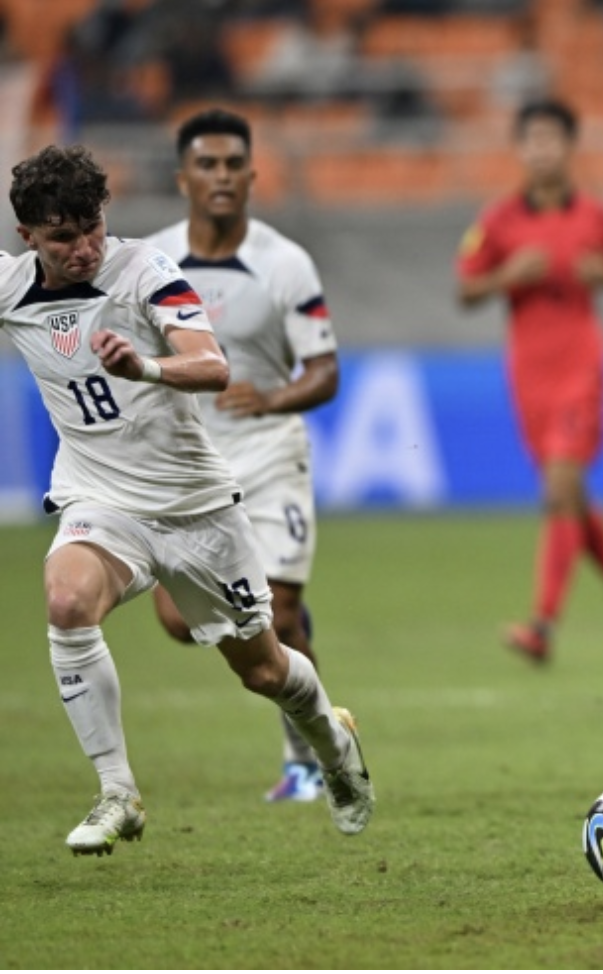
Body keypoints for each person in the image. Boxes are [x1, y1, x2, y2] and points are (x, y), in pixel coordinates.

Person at [1, 144, 372, 855]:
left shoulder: (144, 270)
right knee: (67, 601)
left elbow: (212, 363)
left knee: (263, 669)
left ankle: (332, 740)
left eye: (91, 228)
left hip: (194, 504)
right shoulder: (12, 288)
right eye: (62, 237)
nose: (82, 248)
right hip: (100, 495)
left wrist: (143, 364)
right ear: (28, 239)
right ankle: (117, 793)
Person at [145, 107, 341, 803]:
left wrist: (273, 398)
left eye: (233, 165)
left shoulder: (284, 262)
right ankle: (289, 641)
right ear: (183, 178)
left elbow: (325, 370)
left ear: (254, 175)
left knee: (277, 619)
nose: (221, 177)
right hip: (189, 468)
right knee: (178, 621)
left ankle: (309, 761)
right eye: (207, 165)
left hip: (267, 452)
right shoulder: (154, 262)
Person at [456, 99, 603, 663]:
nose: (541, 150)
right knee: (570, 495)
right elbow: (465, 290)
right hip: (528, 372)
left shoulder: (596, 214)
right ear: (519, 149)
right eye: (532, 140)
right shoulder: (497, 221)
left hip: (581, 366)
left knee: (560, 487)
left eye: (551, 139)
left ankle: (542, 625)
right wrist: (503, 277)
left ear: (569, 147)